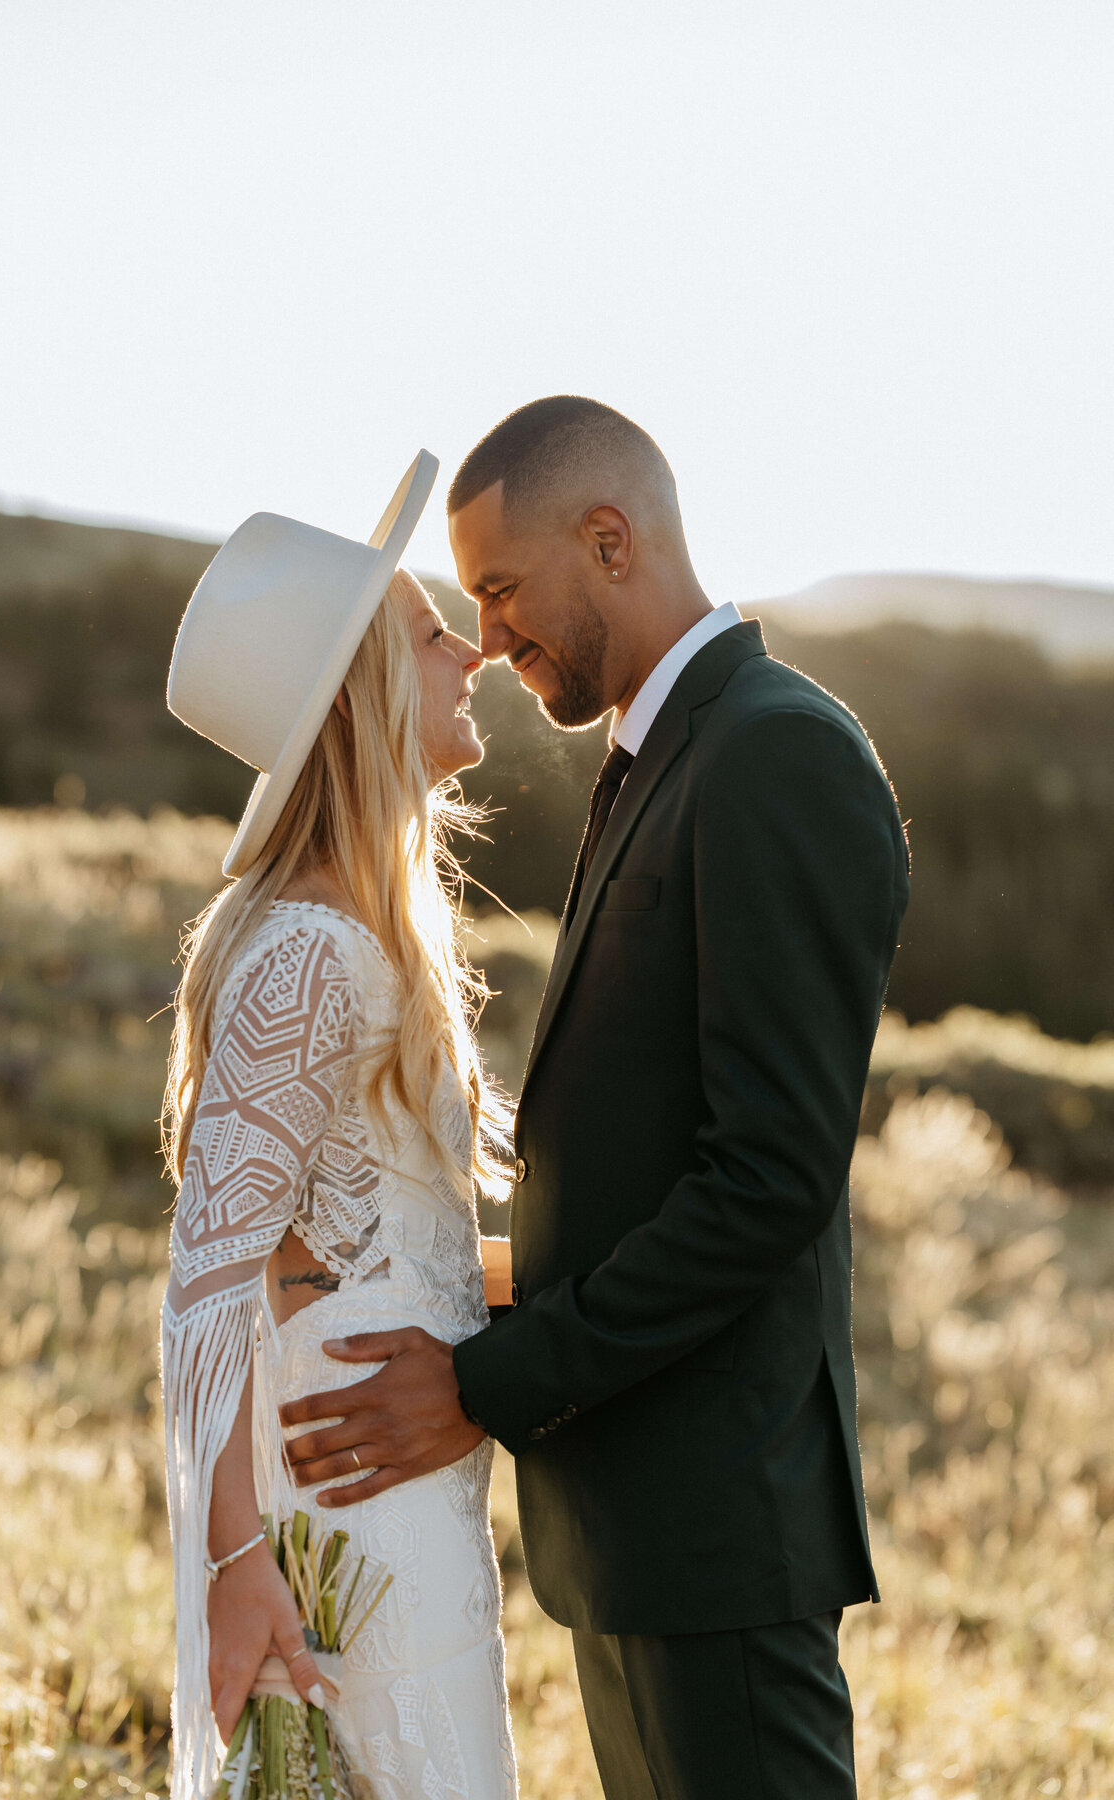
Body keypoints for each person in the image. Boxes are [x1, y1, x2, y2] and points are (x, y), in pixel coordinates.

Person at [281, 399, 911, 1799]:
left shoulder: (772, 755)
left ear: (611, 540)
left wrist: (486, 1385)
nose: (491, 641)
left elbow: (766, 1182)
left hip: (719, 1515)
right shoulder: (660, 759)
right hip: (635, 1517)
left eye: (502, 592)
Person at [159, 453, 519, 1800]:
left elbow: (385, 1248)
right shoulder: (306, 949)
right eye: (433, 635)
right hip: (340, 1503)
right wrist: (237, 1572)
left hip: (401, 1488)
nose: (471, 650)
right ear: (367, 689)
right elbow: (205, 1284)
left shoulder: (360, 929)